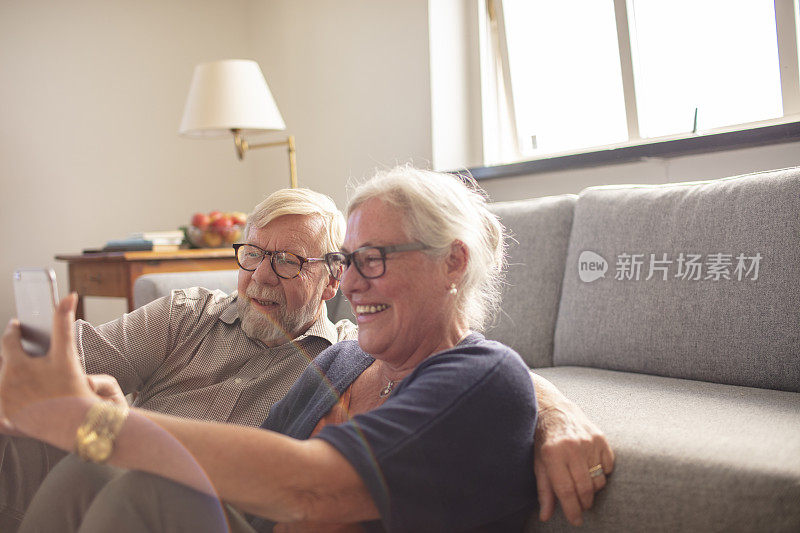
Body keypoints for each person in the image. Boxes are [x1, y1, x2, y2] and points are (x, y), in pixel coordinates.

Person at [1, 181, 612, 529]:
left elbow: (311, 488)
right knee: (92, 470)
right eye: (349, 263)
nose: (351, 284)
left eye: (371, 260)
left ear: (452, 262)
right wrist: (102, 424)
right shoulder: (343, 366)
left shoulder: (479, 374)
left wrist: (107, 425)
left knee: (147, 493)